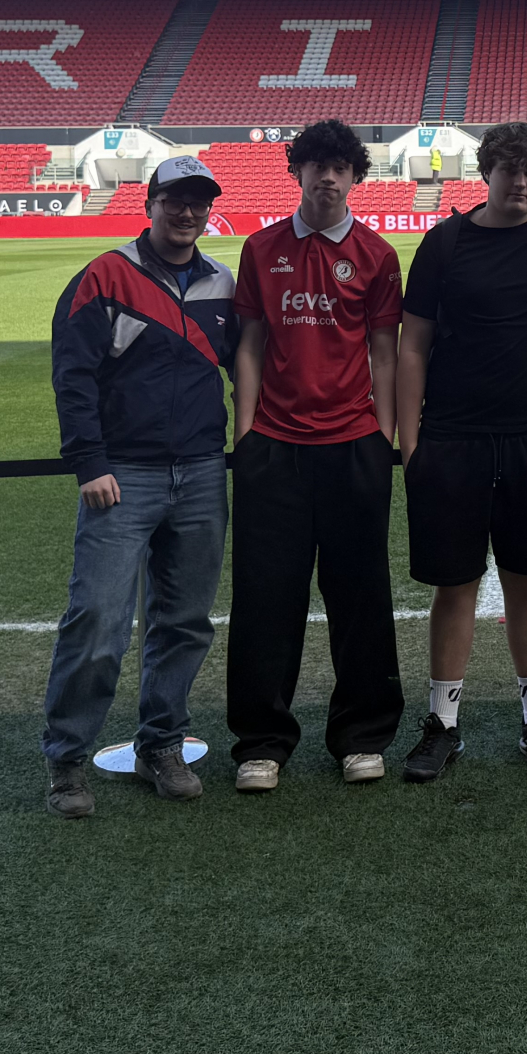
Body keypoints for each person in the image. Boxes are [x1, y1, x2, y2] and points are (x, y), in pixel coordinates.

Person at [395, 122, 527, 781]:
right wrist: (410, 444)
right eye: (508, 170)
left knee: (526, 585)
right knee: (453, 589)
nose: (520, 182)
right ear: (486, 172)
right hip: (451, 439)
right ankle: (442, 724)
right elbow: (412, 345)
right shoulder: (446, 243)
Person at [42, 155, 239, 818]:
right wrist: (89, 462)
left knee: (183, 623)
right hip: (122, 475)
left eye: (198, 202)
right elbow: (72, 373)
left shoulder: (220, 282)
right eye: (175, 201)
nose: (187, 213)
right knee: (97, 621)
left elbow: (244, 367)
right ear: (149, 203)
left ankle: (162, 743)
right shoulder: (105, 275)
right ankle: (67, 760)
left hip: (203, 471)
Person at [225, 118, 405, 792]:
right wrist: (245, 433)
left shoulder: (377, 255)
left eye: (339, 167)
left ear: (355, 177)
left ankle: (362, 736)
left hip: (353, 445)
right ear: (296, 173)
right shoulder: (261, 248)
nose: (327, 177)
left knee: (360, 595)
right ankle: (261, 743)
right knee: (266, 596)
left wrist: (379, 437)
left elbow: (384, 353)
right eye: (315, 165)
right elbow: (247, 344)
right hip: (271, 448)